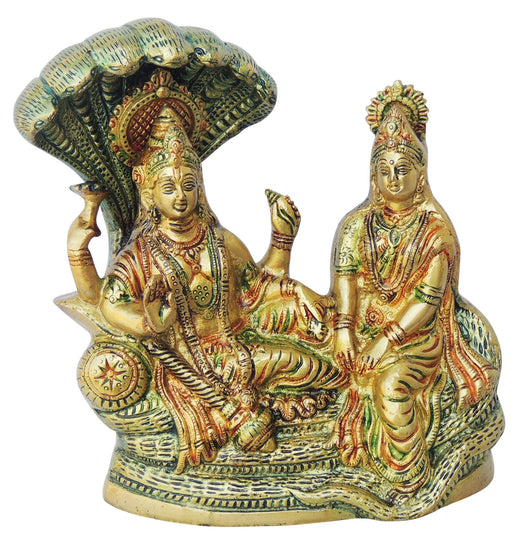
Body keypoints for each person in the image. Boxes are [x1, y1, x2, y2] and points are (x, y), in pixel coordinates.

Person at [68, 104, 343, 472]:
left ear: (200, 187)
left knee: (321, 360)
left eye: (188, 185)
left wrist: (283, 237)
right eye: (169, 187)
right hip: (193, 361)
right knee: (307, 368)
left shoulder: (219, 240)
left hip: (240, 341)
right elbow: (111, 304)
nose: (180, 196)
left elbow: (258, 288)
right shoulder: (141, 255)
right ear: (149, 194)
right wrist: (149, 321)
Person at [329, 83, 499, 498]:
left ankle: (409, 478)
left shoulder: (433, 230)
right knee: (306, 358)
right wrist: (345, 331)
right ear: (373, 174)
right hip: (358, 329)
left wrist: (384, 342)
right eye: (384, 170)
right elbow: (345, 280)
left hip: (414, 339)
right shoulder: (356, 225)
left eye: (402, 169)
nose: (393, 179)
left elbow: (425, 302)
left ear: (420, 173)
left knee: (389, 389)